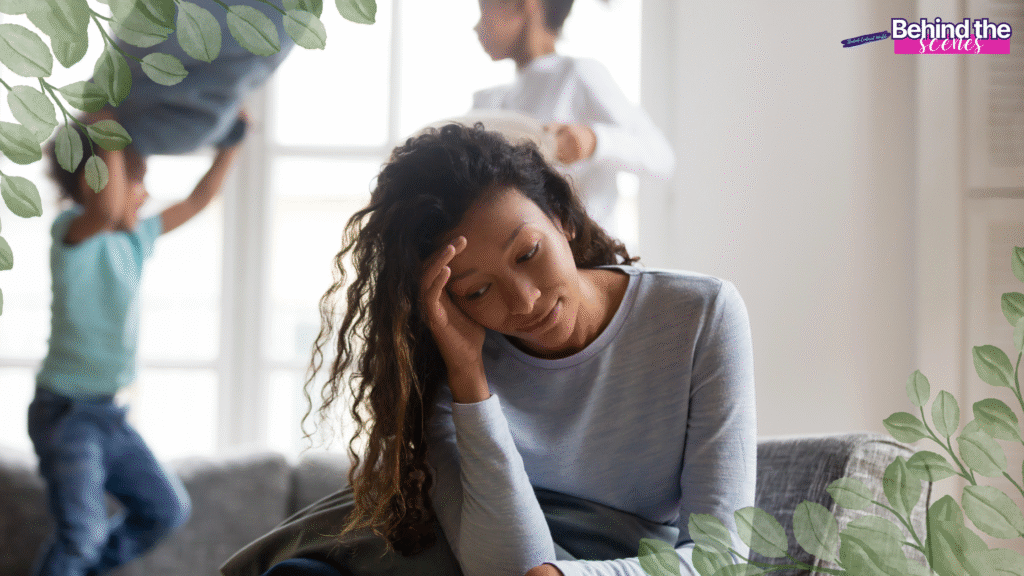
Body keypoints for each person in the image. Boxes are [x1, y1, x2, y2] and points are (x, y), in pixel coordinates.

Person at [221, 124, 755, 576]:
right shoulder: (444, 360)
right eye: (477, 290)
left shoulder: (700, 316)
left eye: (528, 253)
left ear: (563, 219)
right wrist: (468, 375)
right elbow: (502, 564)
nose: (523, 302)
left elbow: (721, 555)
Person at [29, 111, 246, 576]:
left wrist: (233, 142)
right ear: (94, 185)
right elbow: (105, 210)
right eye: (135, 182)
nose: (144, 194)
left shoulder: (137, 238)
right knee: (81, 535)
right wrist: (107, 131)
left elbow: (200, 197)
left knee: (166, 509)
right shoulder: (72, 233)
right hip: (66, 414)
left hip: (109, 415)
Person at [471, 0, 675, 238]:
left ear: (526, 4)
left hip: (589, 260)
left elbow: (661, 157)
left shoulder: (576, 75)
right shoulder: (490, 101)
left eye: (485, 8)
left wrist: (593, 141)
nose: (477, 27)